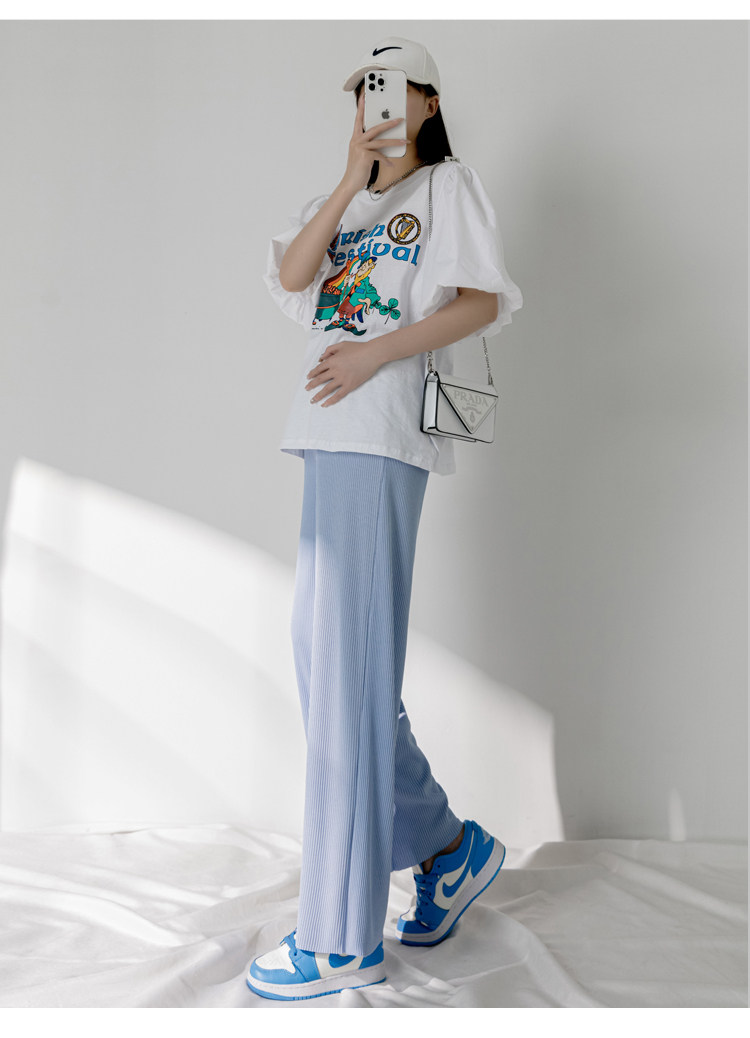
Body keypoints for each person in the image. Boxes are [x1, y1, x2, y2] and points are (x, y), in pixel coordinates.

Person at [246, 36, 523, 1001]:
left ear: (429, 100)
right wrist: (348, 180)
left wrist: (376, 354)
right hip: (326, 438)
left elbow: (479, 302)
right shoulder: (345, 203)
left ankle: (338, 940)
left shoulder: (450, 188)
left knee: (345, 676)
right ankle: (447, 848)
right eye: (362, 89)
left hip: (382, 434)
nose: (376, 101)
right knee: (332, 667)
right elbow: (294, 279)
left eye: (393, 86)